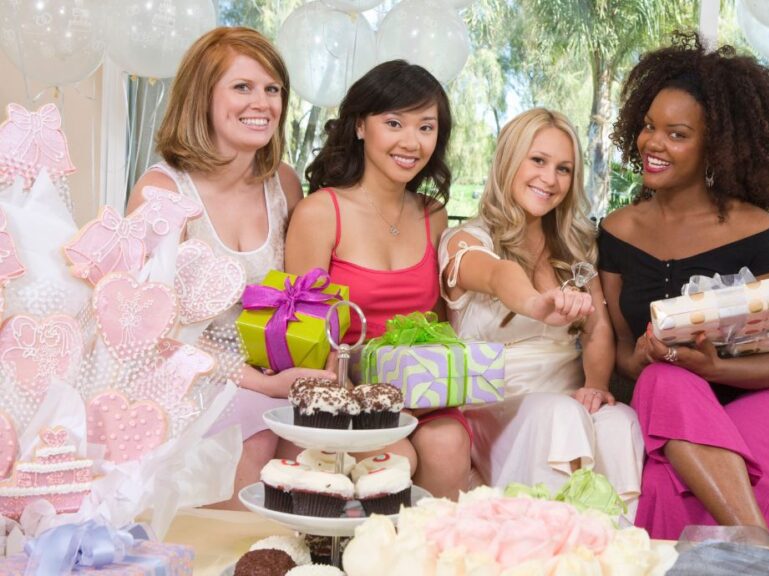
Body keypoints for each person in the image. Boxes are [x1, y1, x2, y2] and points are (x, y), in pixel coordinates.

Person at [597, 32, 769, 546]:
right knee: (663, 383)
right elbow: (622, 352)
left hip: (764, 399)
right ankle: (761, 548)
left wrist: (715, 368)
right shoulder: (617, 232)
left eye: (677, 133)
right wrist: (643, 354)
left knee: (680, 480)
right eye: (648, 127)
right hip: (673, 406)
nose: (653, 144)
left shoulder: (757, 229)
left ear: (717, 146)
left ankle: (752, 550)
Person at [128, 27, 335, 509]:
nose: (261, 102)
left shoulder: (282, 182)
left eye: (272, 89)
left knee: (314, 432)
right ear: (202, 96)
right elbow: (150, 332)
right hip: (191, 373)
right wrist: (261, 383)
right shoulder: (162, 192)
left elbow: (300, 298)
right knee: (258, 430)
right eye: (242, 87)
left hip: (273, 370)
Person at [440, 108, 643, 514]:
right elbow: (499, 276)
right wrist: (537, 304)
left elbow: (598, 328)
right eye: (538, 161)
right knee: (556, 414)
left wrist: (596, 384)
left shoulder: (576, 248)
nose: (550, 179)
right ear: (509, 160)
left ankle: (611, 553)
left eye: (564, 169)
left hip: (564, 398)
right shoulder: (466, 239)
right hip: (496, 406)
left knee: (620, 423)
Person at [284, 60, 470, 500]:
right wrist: (354, 393)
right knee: (395, 454)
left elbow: (440, 322)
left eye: (426, 127)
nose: (411, 142)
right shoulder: (320, 213)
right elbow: (302, 336)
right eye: (393, 123)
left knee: (448, 444)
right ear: (361, 126)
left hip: (420, 391)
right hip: (345, 392)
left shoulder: (433, 215)